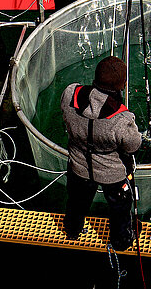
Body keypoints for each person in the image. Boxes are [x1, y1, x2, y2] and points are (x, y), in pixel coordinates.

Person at [60, 55, 142, 251]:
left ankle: (72, 230)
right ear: (122, 85)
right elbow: (133, 145)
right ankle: (121, 241)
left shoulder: (70, 94)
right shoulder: (122, 118)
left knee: (76, 202)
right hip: (111, 174)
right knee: (120, 208)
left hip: (78, 166)